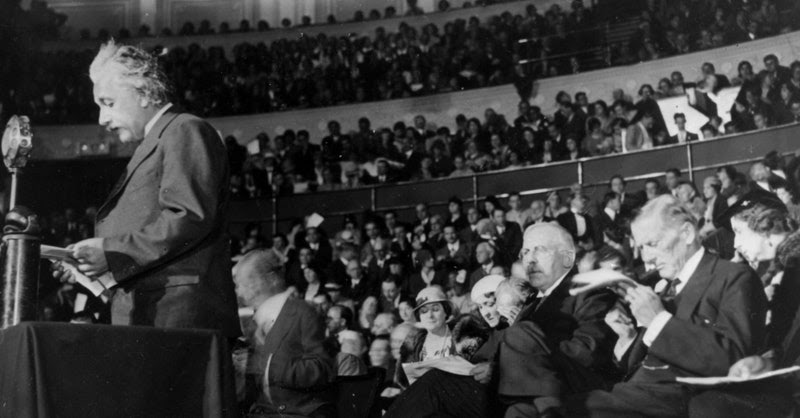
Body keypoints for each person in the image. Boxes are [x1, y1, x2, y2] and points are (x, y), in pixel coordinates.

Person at [57, 40, 240, 336]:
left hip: (178, 314)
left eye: (108, 103)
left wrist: (112, 252)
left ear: (143, 93)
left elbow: (188, 217)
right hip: (158, 311)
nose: (102, 119)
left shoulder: (184, 129)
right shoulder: (160, 139)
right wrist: (96, 268)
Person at [574, 195, 768, 417]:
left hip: (675, 401)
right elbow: (639, 365)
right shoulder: (662, 285)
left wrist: (658, 321)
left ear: (686, 233)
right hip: (633, 393)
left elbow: (734, 360)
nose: (647, 257)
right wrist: (627, 340)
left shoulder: (733, 277)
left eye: (652, 244)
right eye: (641, 247)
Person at [233, 250, 334, 417]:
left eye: (246, 283)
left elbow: (323, 369)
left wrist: (266, 367)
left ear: (270, 279)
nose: (240, 292)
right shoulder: (251, 322)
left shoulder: (303, 312)